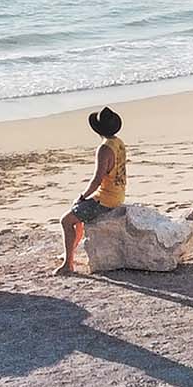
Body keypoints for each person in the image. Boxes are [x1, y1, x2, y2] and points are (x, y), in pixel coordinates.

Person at [55, 106, 127, 276]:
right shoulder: (119, 143)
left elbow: (96, 180)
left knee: (66, 220)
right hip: (117, 193)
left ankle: (68, 264)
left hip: (106, 199)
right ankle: (69, 253)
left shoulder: (104, 149)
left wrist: (81, 197)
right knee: (78, 214)